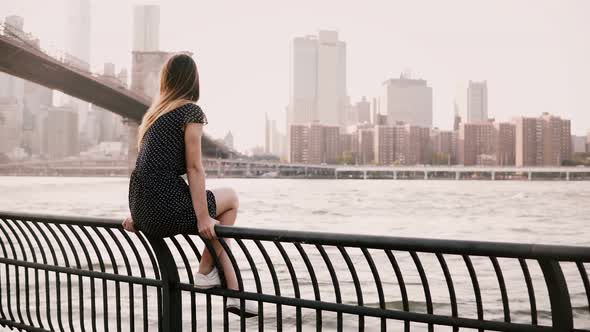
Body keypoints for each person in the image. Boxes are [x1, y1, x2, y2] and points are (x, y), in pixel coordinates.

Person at [121, 53, 256, 317]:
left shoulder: (153, 116)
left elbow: (145, 168)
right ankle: (208, 272)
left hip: (143, 213)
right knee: (230, 199)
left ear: (165, 81)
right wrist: (203, 217)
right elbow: (195, 167)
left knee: (216, 228)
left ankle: (230, 288)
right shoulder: (190, 112)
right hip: (165, 208)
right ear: (193, 80)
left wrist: (137, 213)